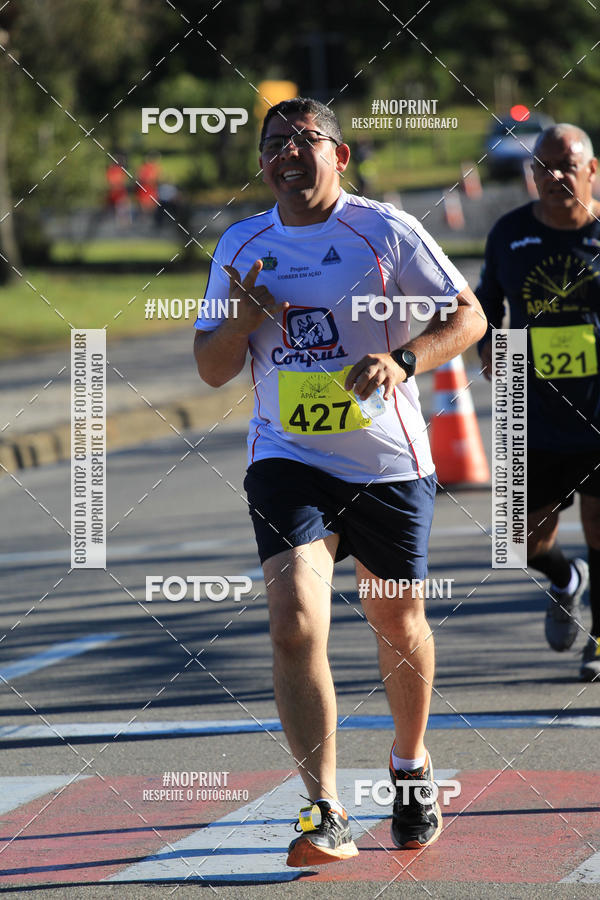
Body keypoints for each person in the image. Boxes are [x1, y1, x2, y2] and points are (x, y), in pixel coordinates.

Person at [194, 97, 486, 866]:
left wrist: (405, 360)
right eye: (272, 145)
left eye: (304, 140)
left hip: (388, 462)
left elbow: (468, 316)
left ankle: (411, 764)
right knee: (294, 623)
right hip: (287, 457)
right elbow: (212, 368)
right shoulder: (240, 243)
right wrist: (240, 317)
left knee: (395, 623)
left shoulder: (385, 231)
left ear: (339, 155)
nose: (288, 154)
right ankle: (324, 810)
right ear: (260, 163)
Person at [477, 123, 600, 682]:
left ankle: (597, 641)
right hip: (530, 414)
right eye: (542, 168)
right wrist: (486, 345)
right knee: (517, 541)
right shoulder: (508, 233)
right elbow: (485, 303)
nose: (553, 177)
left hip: (598, 414)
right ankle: (562, 577)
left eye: (566, 167)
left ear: (591, 172)